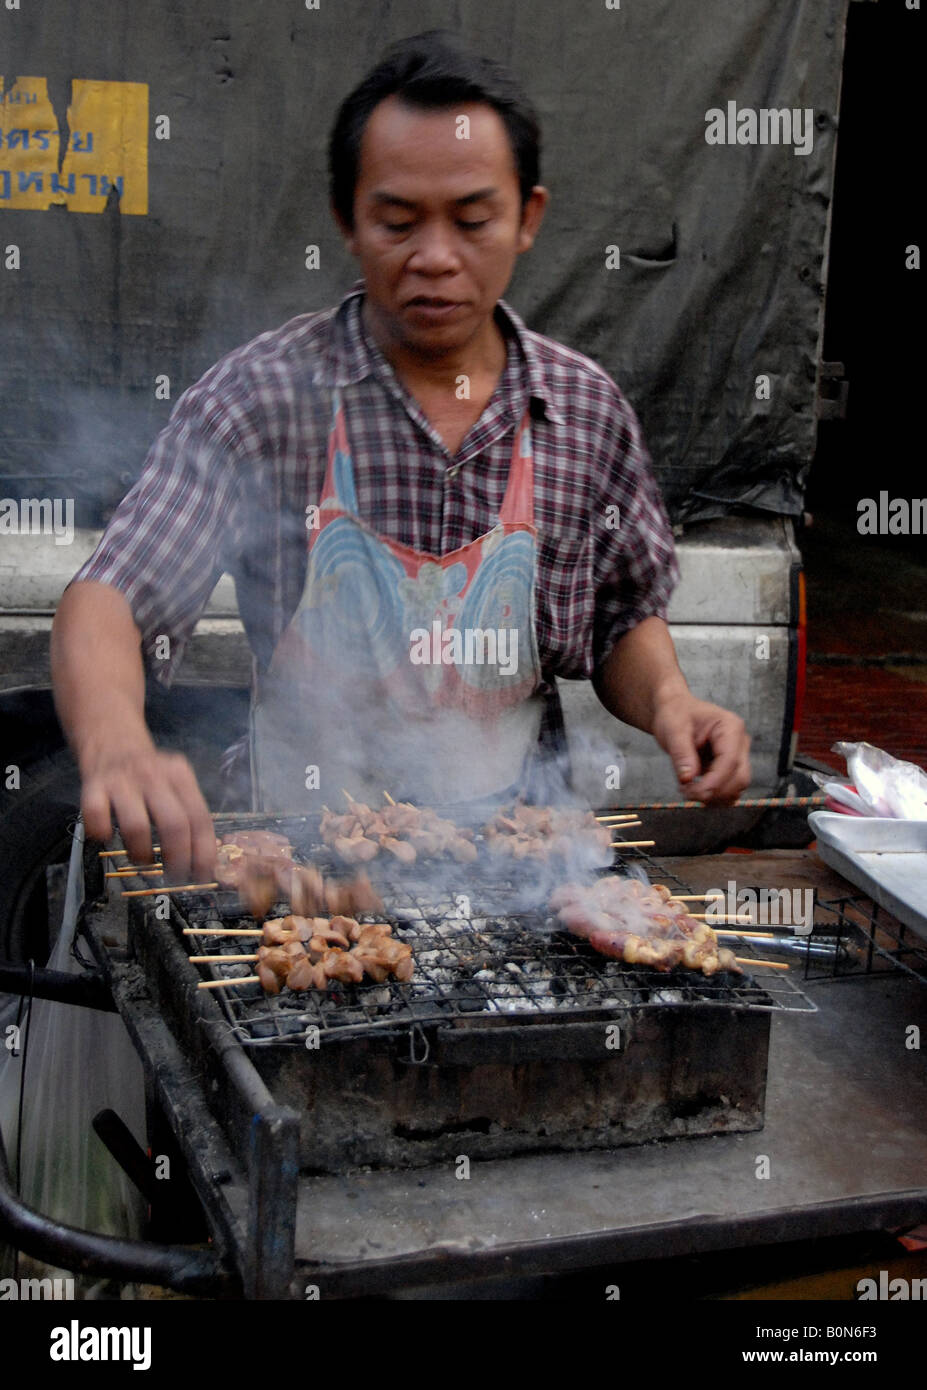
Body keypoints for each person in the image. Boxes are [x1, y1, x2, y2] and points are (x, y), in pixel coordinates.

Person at [51, 30, 750, 883]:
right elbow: (109, 597)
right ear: (347, 219)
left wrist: (672, 702)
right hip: (302, 859)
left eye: (471, 219)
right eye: (396, 220)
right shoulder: (265, 399)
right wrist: (118, 742)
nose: (434, 258)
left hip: (512, 868)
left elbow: (618, 622)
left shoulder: (582, 411)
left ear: (527, 217)